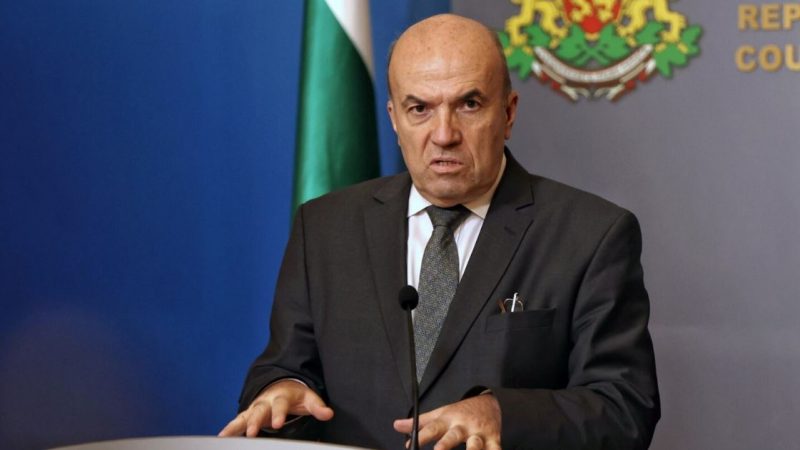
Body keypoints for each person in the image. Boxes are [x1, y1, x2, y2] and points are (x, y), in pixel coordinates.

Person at [219, 14, 659, 450]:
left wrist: (502, 415)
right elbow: (283, 365)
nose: (444, 134)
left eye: (469, 105)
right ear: (394, 118)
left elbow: (624, 408)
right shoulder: (325, 227)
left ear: (508, 113)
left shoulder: (591, 235)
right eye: (420, 109)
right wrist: (283, 389)